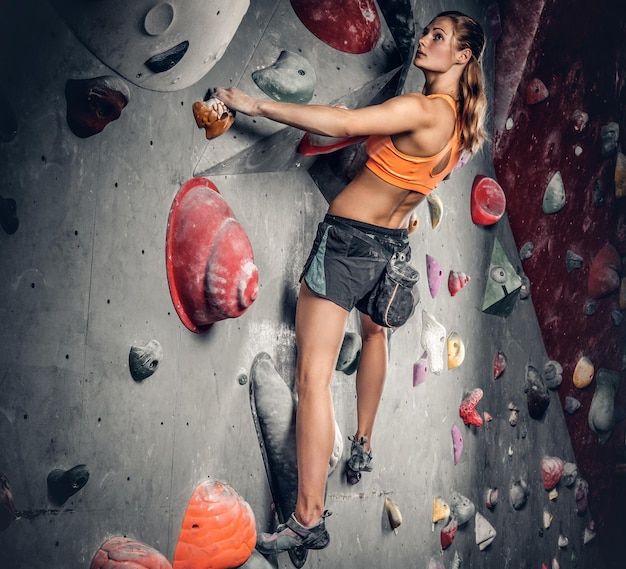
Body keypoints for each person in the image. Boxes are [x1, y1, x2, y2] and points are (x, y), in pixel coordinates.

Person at [214, 9, 488, 555]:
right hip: (388, 250)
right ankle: (363, 441)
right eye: (428, 31)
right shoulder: (460, 127)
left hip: (347, 245)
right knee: (375, 336)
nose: (425, 41)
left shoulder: (424, 107)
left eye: (439, 37)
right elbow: (407, 184)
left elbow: (341, 124)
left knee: (313, 380)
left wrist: (255, 103)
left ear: (462, 57)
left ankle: (307, 518)